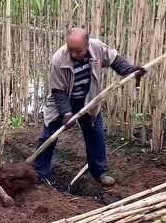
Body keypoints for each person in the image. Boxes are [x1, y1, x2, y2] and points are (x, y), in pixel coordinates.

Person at [33, 28, 146, 188]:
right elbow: (58, 91)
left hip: (89, 99)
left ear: (87, 45)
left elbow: (115, 61)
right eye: (70, 50)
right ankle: (39, 173)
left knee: (95, 135)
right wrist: (66, 113)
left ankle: (99, 173)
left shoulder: (98, 48)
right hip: (63, 100)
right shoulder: (58, 59)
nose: (73, 55)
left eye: (78, 51)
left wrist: (129, 70)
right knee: (48, 135)